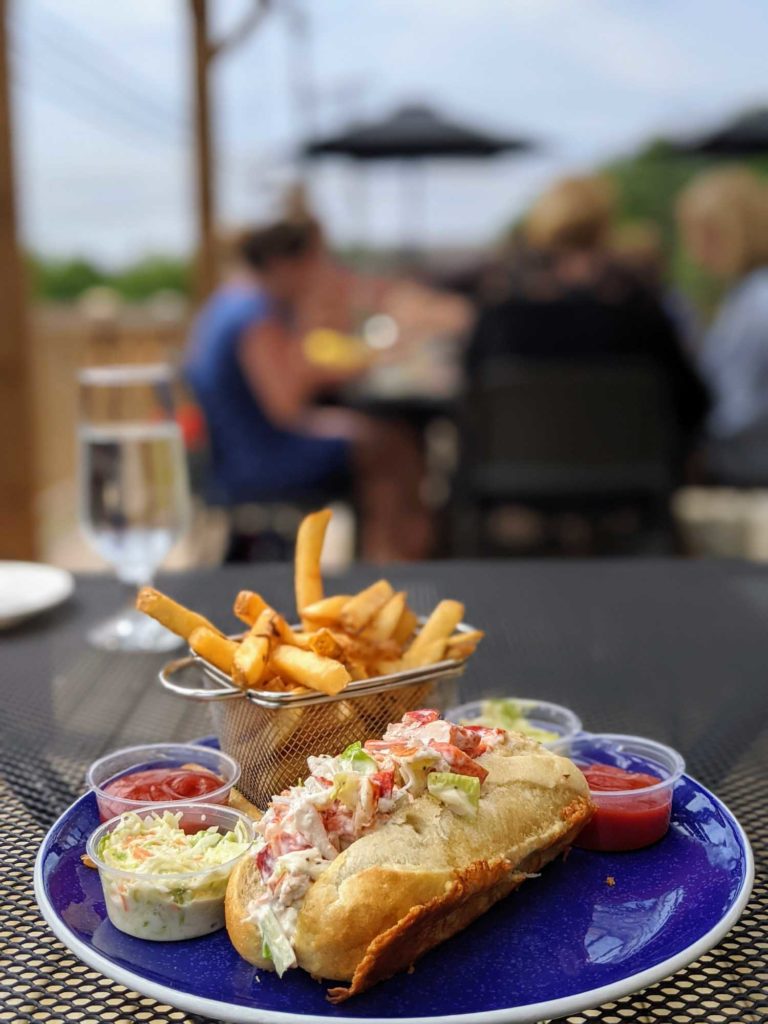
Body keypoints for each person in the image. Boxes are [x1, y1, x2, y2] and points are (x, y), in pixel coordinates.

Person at [185, 218, 430, 561]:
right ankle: (389, 563)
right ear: (284, 264)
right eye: (315, 262)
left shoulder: (231, 300)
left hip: (232, 456)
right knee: (388, 443)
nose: (319, 273)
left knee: (380, 436)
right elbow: (286, 406)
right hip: (255, 462)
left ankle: (389, 559)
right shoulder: (254, 314)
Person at [467, 175, 709, 439]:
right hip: (629, 473)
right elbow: (693, 403)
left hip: (520, 474)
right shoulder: (641, 313)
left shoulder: (501, 317)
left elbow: (471, 399)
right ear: (605, 227)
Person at [677, 167, 768, 483]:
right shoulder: (745, 294)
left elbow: (738, 410)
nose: (694, 250)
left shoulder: (756, 302)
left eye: (704, 234)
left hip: (747, 468)